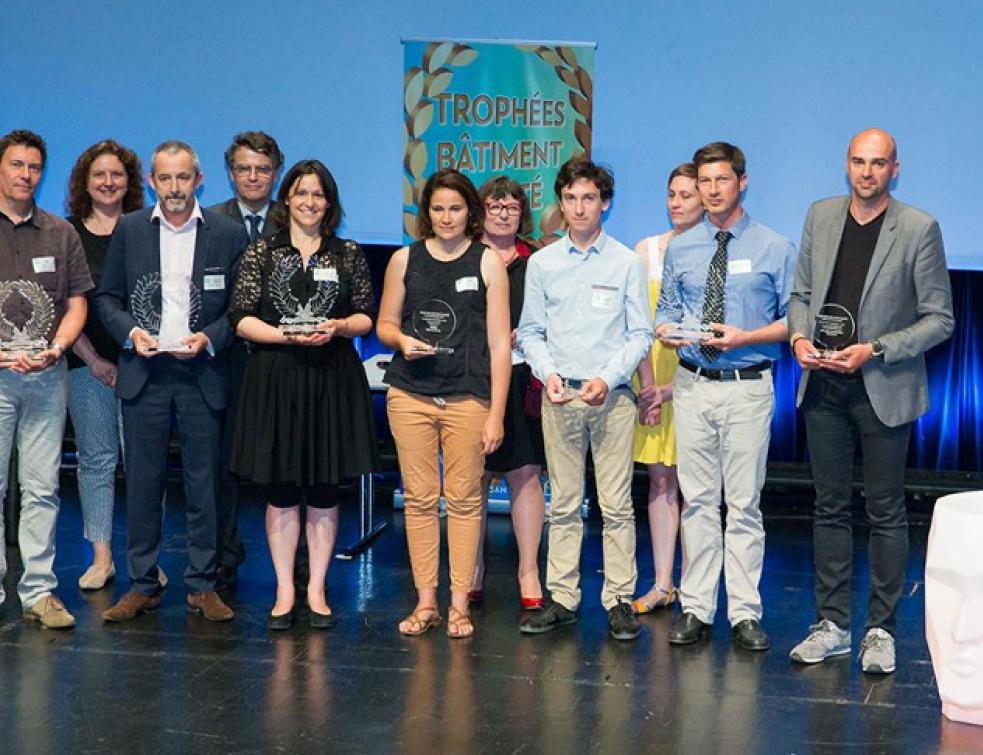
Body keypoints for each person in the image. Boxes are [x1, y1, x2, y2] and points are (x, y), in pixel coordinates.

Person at [787, 128, 953, 674]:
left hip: (882, 384)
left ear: (895, 169)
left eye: (878, 163)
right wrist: (798, 339)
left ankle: (880, 630)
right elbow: (802, 295)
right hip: (825, 385)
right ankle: (831, 624)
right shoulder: (820, 215)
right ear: (846, 164)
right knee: (829, 507)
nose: (867, 172)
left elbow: (940, 319)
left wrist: (876, 349)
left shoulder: (919, 228)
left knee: (885, 512)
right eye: (858, 161)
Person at [95, 140, 247, 623]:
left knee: (205, 485)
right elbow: (107, 298)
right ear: (152, 182)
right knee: (142, 484)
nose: (175, 187)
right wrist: (131, 333)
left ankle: (202, 586)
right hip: (146, 373)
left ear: (199, 181)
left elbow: (240, 309)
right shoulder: (131, 229)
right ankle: (143, 583)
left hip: (202, 372)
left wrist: (208, 337)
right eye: (166, 178)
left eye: (184, 178)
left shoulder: (227, 232)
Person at [655, 142, 796, 652]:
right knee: (697, 503)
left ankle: (744, 613)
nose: (712, 190)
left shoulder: (774, 247)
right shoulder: (681, 247)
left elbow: (793, 323)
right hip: (692, 385)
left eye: (721, 180)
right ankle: (696, 608)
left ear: (742, 181)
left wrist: (743, 337)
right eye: (705, 182)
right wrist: (667, 330)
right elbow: (665, 310)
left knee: (742, 505)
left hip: (747, 387)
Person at [227, 159, 379, 630]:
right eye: (301, 193)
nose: (309, 202)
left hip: (331, 379)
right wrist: (284, 336)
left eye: (318, 195)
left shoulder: (347, 252)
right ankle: (284, 590)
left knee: (324, 489)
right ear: (286, 200)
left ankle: (315, 589)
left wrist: (339, 328)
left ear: (329, 204)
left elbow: (365, 316)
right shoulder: (262, 253)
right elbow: (240, 316)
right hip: (277, 378)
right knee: (282, 488)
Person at [517, 156, 653, 642]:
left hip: (610, 397)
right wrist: (548, 374)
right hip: (560, 396)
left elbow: (641, 334)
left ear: (605, 203)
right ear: (561, 203)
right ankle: (563, 598)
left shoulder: (625, 263)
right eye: (570, 198)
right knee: (565, 503)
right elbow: (530, 332)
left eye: (589, 198)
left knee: (616, 505)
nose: (579, 207)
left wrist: (606, 377)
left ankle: (619, 600)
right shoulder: (542, 263)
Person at [378, 168, 510, 639]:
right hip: (410, 394)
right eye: (437, 208)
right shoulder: (403, 260)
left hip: (468, 398)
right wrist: (401, 340)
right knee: (417, 500)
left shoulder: (488, 262)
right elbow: (385, 325)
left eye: (455, 208)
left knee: (465, 500)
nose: (447, 217)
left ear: (469, 212)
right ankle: (426, 602)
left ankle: (459, 605)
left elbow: (499, 344)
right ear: (425, 212)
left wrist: (496, 413)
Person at [0, 129, 92, 629]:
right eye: (16, 165)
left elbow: (77, 302)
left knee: (41, 489)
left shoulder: (60, 233)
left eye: (34, 167)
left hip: (46, 376)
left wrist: (57, 349)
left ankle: (38, 591)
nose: (25, 175)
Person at [65, 139, 145, 590]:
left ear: (129, 182)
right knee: (96, 460)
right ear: (85, 182)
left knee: (142, 462)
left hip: (144, 367)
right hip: (85, 365)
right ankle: (101, 557)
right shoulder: (67, 232)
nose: (109, 182)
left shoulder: (144, 229)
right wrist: (93, 359)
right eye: (99, 175)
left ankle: (143, 557)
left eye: (117, 175)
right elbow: (60, 306)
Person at [208, 130, 285, 592]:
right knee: (223, 465)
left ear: (276, 172)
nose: (253, 177)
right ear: (230, 172)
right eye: (244, 168)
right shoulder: (210, 221)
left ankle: (294, 565)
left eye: (262, 168)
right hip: (223, 361)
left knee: (287, 461)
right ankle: (224, 556)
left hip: (280, 362)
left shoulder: (298, 216)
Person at [469, 176, 546, 610]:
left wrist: (530, 335)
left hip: (523, 380)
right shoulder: (463, 254)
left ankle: (528, 569)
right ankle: (471, 567)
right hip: (472, 380)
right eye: (495, 206)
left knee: (525, 474)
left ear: (522, 214)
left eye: (511, 207)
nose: (502, 213)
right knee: (472, 478)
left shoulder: (538, 260)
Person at [630, 163, 704, 614]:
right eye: (672, 194)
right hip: (653, 379)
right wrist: (649, 388)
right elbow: (638, 325)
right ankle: (661, 583)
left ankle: (695, 592)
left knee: (696, 488)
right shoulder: (647, 251)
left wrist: (673, 389)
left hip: (695, 381)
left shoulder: (715, 251)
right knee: (660, 482)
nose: (677, 203)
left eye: (687, 195)